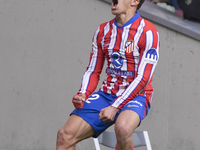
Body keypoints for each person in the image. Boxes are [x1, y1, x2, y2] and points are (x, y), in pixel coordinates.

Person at [56, 0, 160, 150]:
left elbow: (143, 78)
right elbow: (93, 70)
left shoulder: (149, 32)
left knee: (123, 129)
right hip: (107, 94)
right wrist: (83, 93)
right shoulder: (102, 30)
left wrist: (116, 106)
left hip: (138, 95)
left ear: (135, 1)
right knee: (64, 136)